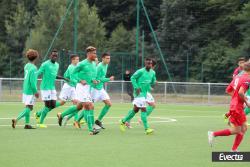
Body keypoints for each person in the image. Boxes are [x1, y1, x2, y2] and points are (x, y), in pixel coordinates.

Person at [208, 61, 250, 151]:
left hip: (234, 106)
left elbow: (228, 90)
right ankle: (214, 134)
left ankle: (233, 149)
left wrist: (237, 99)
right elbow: (240, 92)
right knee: (241, 129)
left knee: (239, 129)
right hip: (237, 108)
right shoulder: (247, 79)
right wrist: (246, 102)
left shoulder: (238, 77)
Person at [57, 46, 99, 135]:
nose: (95, 54)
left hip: (88, 88)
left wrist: (93, 80)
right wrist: (79, 80)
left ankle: (62, 115)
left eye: (95, 53)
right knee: (88, 106)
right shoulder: (82, 63)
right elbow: (73, 73)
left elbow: (90, 76)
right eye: (94, 53)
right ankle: (92, 129)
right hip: (81, 87)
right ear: (89, 54)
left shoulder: (93, 64)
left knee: (79, 107)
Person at [120, 58, 156, 135]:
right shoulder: (140, 71)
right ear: (145, 64)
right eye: (147, 63)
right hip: (139, 93)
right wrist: (136, 87)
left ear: (151, 64)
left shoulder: (153, 72)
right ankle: (147, 129)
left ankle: (123, 121)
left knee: (135, 110)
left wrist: (154, 82)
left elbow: (152, 81)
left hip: (145, 93)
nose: (149, 65)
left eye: (150, 63)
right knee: (144, 109)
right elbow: (132, 78)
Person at [35, 49, 68, 128]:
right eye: (53, 55)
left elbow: (54, 75)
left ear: (57, 57)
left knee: (52, 105)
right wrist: (31, 76)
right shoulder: (45, 64)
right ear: (50, 55)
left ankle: (38, 114)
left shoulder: (57, 65)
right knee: (47, 106)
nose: (54, 56)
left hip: (52, 88)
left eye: (56, 55)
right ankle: (40, 122)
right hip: (45, 88)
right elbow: (38, 73)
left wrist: (63, 78)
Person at [12, 49, 39, 129]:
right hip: (30, 90)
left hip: (25, 89)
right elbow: (32, 82)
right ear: (36, 57)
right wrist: (35, 92)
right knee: (30, 108)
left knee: (27, 106)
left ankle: (27, 124)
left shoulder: (26, 65)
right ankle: (16, 119)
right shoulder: (34, 68)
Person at [90, 53, 114, 129]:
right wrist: (108, 79)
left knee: (109, 104)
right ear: (103, 58)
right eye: (107, 58)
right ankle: (77, 120)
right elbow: (95, 78)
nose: (108, 60)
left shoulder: (106, 65)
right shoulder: (99, 66)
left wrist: (105, 79)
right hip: (94, 89)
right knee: (89, 106)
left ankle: (98, 121)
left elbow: (101, 78)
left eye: (109, 58)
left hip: (100, 88)